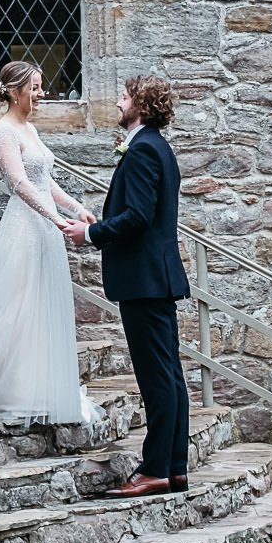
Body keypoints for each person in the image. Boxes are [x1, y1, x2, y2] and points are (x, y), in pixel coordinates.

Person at [66, 75, 192, 496]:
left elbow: (138, 216)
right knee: (169, 375)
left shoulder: (141, 151)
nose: (118, 103)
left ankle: (156, 467)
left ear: (141, 103)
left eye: (124, 96)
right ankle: (173, 467)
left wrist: (93, 234)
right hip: (155, 277)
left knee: (158, 378)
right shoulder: (157, 146)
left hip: (143, 279)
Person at [0, 61, 99, 425]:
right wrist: (56, 218)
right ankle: (17, 390)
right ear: (15, 91)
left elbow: (44, 178)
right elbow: (20, 184)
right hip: (25, 230)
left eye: (42, 87)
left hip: (44, 227)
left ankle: (44, 384)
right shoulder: (4, 132)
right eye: (36, 88)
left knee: (44, 302)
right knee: (21, 305)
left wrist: (75, 207)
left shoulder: (29, 128)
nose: (42, 94)